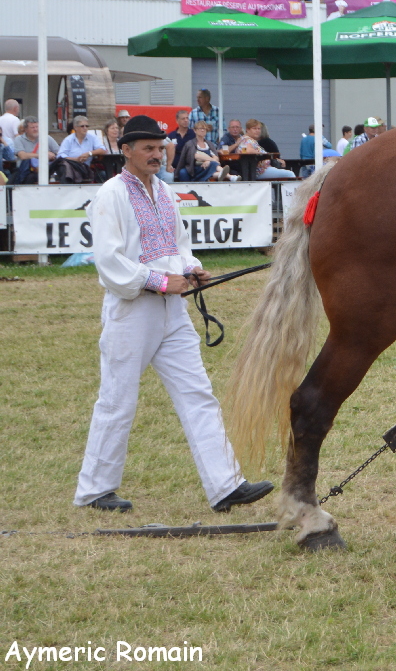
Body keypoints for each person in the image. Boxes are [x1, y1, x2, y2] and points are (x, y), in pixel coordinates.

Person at [74, 114, 274, 514]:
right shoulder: (111, 195)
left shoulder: (164, 192)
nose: (155, 154)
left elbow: (179, 245)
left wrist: (190, 268)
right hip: (131, 311)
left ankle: (226, 485)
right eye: (146, 148)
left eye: (159, 147)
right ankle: (95, 490)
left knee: (198, 394)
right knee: (117, 400)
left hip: (173, 311)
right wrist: (163, 282)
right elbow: (110, 263)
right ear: (125, 151)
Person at [12, 117, 59, 182]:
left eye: (37, 127)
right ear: (26, 129)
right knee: (30, 178)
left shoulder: (47, 138)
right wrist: (43, 155)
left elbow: (59, 153)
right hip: (26, 171)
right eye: (32, 127)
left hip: (46, 169)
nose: (35, 129)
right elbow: (22, 156)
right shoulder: (19, 139)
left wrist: (53, 156)